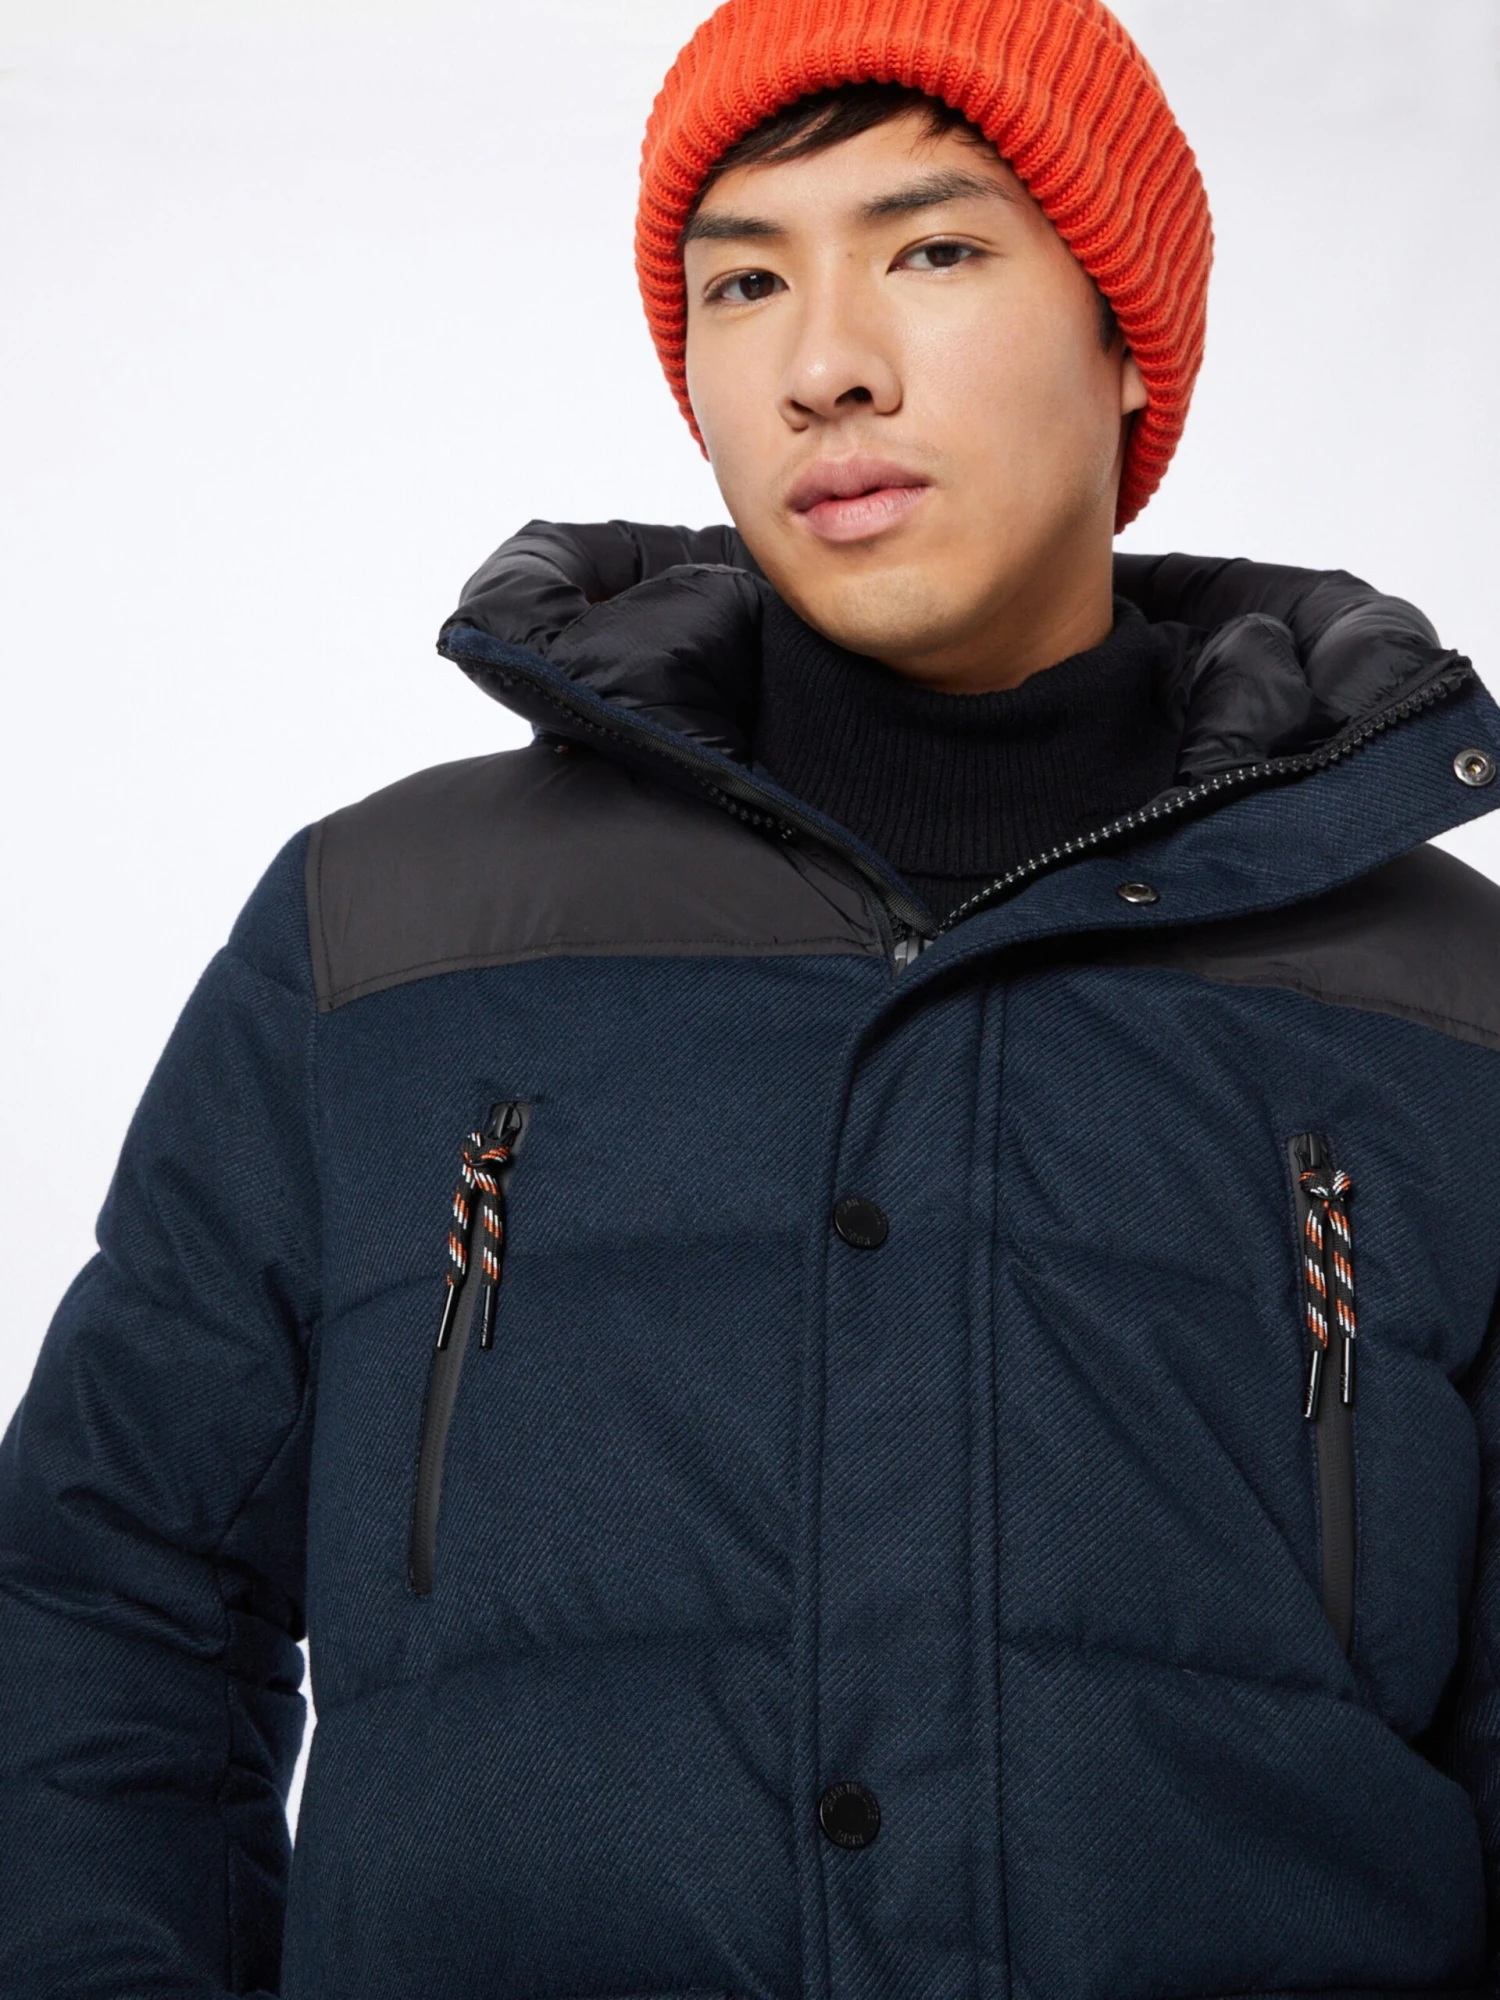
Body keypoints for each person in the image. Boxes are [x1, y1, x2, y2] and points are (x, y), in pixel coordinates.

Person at [3, 0, 1500, 1994]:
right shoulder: (381, 940)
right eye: (744, 282)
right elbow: (105, 1597)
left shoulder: (1448, 1005)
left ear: (1128, 334)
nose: (825, 364)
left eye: (932, 249)